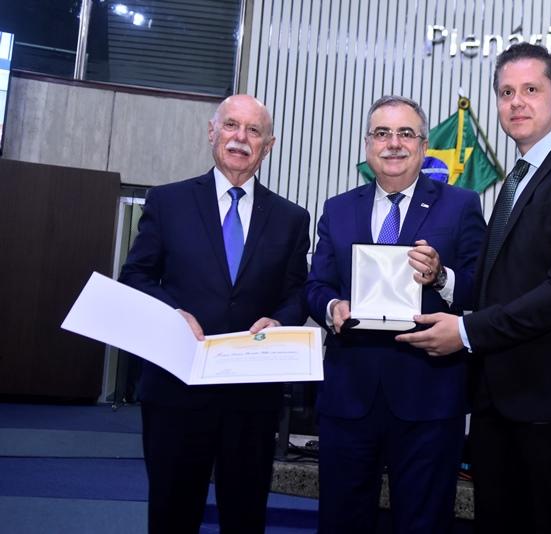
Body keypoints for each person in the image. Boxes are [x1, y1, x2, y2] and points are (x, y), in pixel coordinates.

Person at [397, 43, 551, 533]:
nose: (516, 102)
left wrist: (466, 332)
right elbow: (504, 284)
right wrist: (442, 278)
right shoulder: (517, 178)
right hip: (499, 401)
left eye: (530, 90)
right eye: (506, 92)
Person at [119, 94, 311, 533]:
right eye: (231, 125)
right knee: (172, 514)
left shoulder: (291, 219)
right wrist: (173, 313)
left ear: (268, 146)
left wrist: (280, 321)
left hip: (252, 400)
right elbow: (135, 276)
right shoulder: (168, 202)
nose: (240, 138)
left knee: (245, 517)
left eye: (253, 130)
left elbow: (297, 293)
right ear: (212, 132)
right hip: (176, 390)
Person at [306, 95, 486, 533]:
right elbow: (316, 286)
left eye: (406, 133)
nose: (393, 143)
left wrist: (441, 276)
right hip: (349, 395)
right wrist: (332, 307)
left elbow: (481, 286)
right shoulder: (337, 208)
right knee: (341, 521)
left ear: (423, 146)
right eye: (382, 133)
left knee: (424, 523)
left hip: (429, 396)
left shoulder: (460, 204)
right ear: (368, 144)